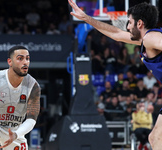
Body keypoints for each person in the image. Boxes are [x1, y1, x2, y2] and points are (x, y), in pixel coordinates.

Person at [68, 0, 162, 148]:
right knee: (155, 138)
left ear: (140, 24)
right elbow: (116, 34)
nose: (127, 26)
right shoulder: (146, 40)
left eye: (130, 22)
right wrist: (87, 18)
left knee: (156, 138)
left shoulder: (151, 37)